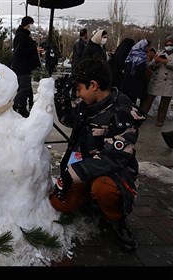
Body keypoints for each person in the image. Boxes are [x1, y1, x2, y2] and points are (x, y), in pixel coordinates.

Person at [50, 57, 146, 251]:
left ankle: (116, 220)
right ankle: (90, 200)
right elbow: (69, 120)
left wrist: (71, 174)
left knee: (104, 189)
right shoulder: (89, 105)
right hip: (86, 168)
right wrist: (60, 98)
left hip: (114, 173)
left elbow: (114, 158)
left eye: (79, 88)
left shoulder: (122, 111)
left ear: (93, 85)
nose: (77, 94)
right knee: (60, 203)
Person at [11, 16, 41, 118]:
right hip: (21, 67)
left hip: (26, 67)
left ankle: (23, 108)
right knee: (24, 89)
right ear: (27, 24)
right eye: (31, 23)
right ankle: (16, 105)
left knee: (27, 89)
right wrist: (34, 50)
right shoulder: (20, 36)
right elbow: (19, 51)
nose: (32, 26)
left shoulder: (26, 36)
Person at [140, 35, 173, 127]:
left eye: (171, 44)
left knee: (164, 104)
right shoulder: (159, 52)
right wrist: (156, 61)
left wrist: (167, 62)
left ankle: (160, 121)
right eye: (167, 43)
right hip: (156, 81)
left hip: (169, 82)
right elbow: (150, 65)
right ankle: (141, 116)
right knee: (147, 101)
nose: (169, 45)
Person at [121, 39, 152, 106]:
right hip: (135, 85)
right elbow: (139, 72)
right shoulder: (141, 57)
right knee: (132, 104)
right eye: (148, 46)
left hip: (127, 83)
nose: (149, 48)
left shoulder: (131, 54)